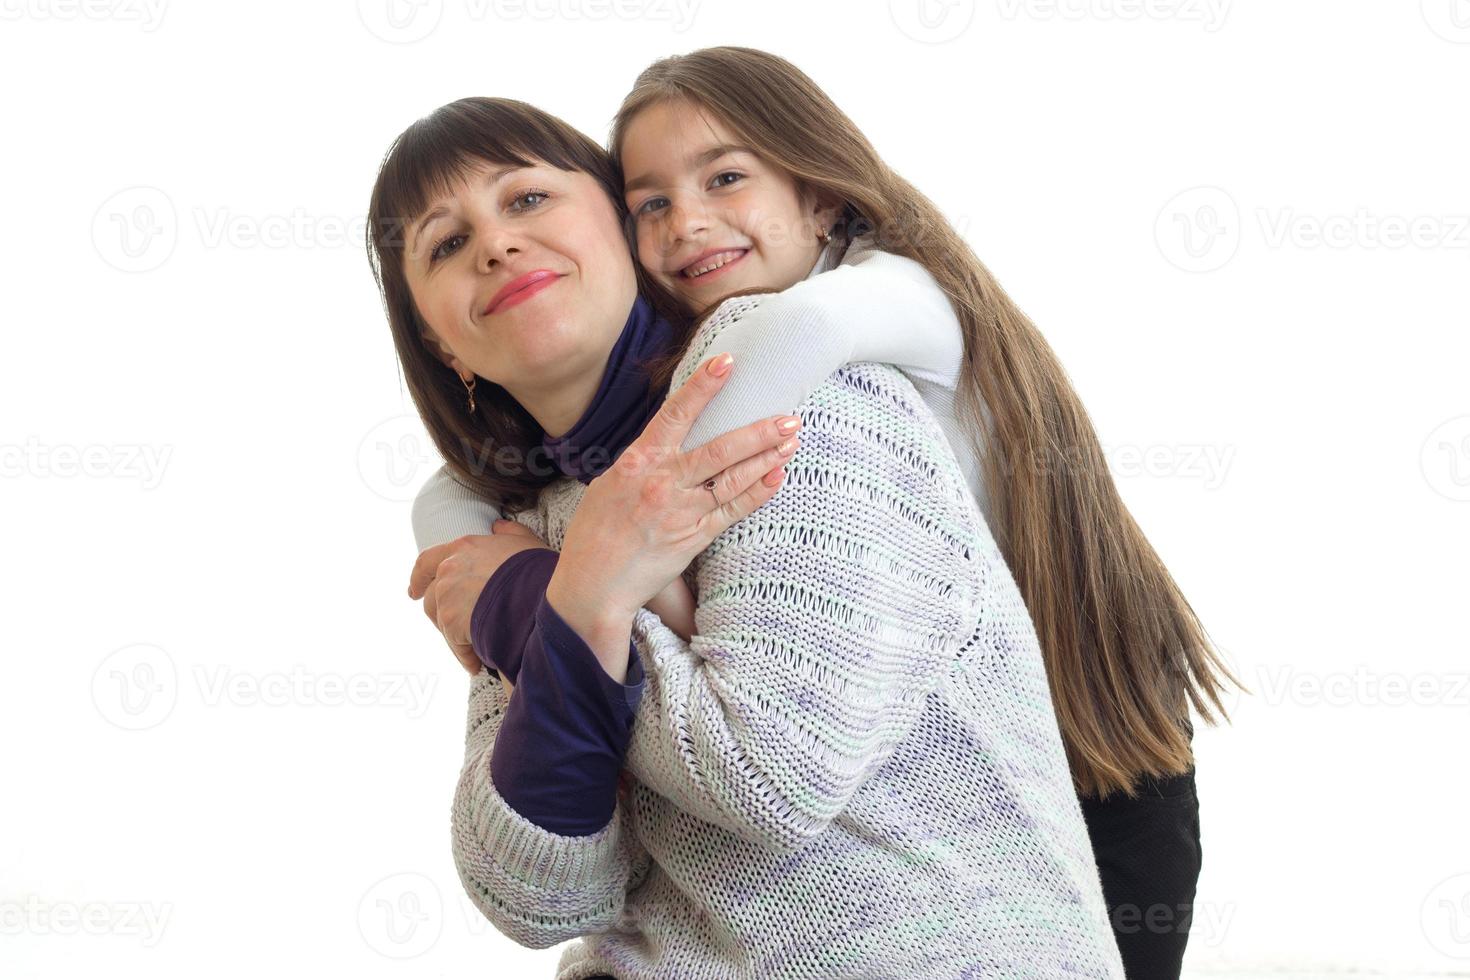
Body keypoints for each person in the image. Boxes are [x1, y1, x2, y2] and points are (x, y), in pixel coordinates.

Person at [415, 47, 1235, 977]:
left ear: (821, 198)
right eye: (650, 203)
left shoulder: (853, 322)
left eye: (726, 178)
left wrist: (568, 590)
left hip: (1092, 765)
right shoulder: (568, 492)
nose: (688, 224)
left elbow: (764, 766)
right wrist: (525, 569)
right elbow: (537, 887)